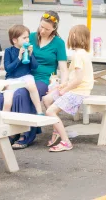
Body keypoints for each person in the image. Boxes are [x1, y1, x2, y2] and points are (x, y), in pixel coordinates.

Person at [0, 11, 67, 149]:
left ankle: (25, 134)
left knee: (22, 94)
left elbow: (63, 68)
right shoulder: (30, 37)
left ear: (54, 29)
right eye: (41, 26)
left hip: (44, 78)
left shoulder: (58, 43)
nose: (42, 30)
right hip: (23, 74)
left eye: (47, 29)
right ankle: (7, 132)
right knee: (4, 95)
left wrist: (62, 85)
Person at [44, 24, 94, 153]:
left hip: (78, 92)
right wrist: (63, 85)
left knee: (50, 112)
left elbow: (78, 79)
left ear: (73, 37)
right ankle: (57, 129)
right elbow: (75, 78)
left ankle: (65, 141)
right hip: (77, 89)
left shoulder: (78, 56)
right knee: (47, 99)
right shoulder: (83, 53)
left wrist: (64, 90)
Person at [0, 24, 44, 114]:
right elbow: (8, 69)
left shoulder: (29, 50)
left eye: (28, 37)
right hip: (12, 78)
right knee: (7, 102)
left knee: (32, 86)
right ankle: (4, 123)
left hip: (25, 76)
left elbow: (35, 66)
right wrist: (19, 57)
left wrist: (31, 55)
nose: (27, 40)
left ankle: (39, 111)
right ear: (15, 40)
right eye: (24, 38)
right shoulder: (8, 51)